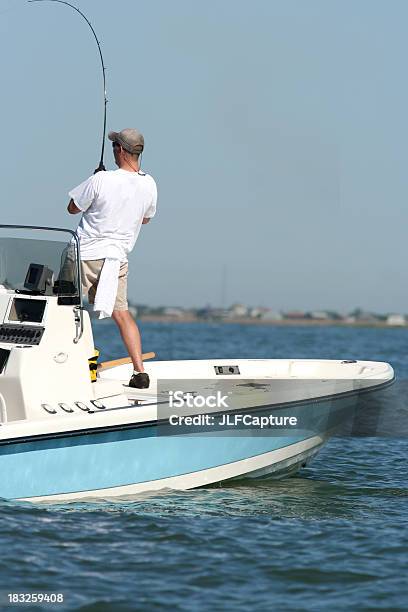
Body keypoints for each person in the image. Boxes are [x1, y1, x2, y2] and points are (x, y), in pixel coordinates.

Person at [67, 128, 157, 389]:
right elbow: (146, 218)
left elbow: (72, 208)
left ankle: (60, 363)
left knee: (61, 309)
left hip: (84, 255)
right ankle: (140, 372)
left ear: (119, 149)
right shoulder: (149, 183)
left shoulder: (101, 180)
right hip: (117, 259)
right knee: (122, 314)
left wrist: (96, 181)